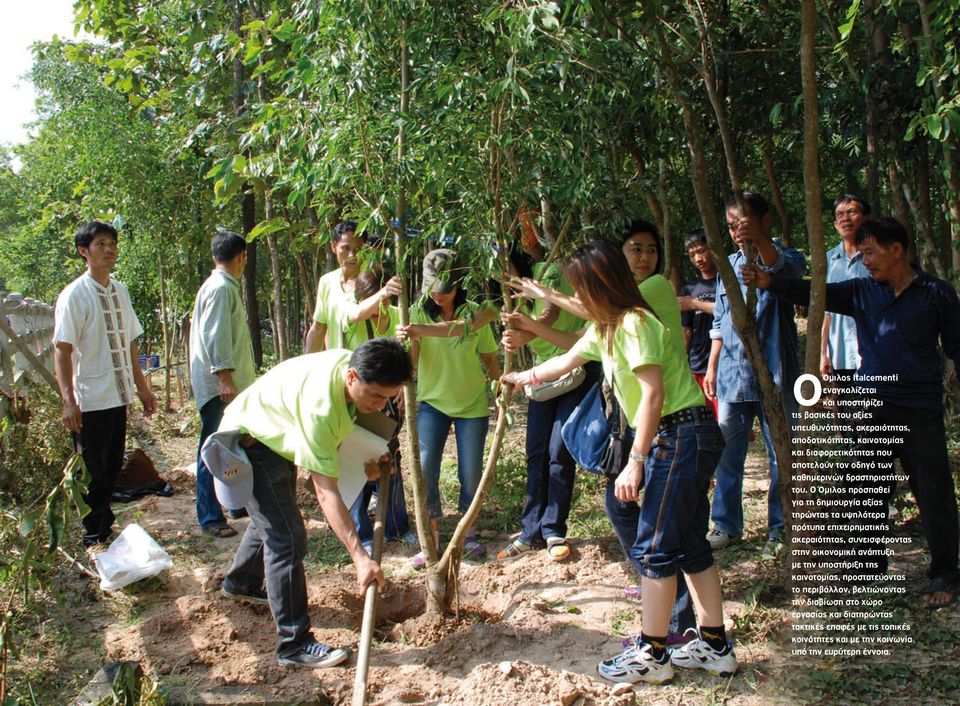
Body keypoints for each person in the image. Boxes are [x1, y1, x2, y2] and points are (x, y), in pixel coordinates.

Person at [503, 239, 735, 685]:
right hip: (681, 437)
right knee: (689, 544)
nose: (578, 299)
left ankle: (652, 653)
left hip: (680, 434)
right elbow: (565, 361)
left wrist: (636, 459)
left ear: (601, 285)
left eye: (581, 290)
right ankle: (713, 643)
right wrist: (521, 376)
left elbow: (653, 393)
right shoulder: (607, 327)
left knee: (654, 547)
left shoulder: (635, 323)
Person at [744, 217, 960, 607]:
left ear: (898, 249)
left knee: (934, 492)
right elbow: (816, 292)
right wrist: (769, 282)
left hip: (919, 409)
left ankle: (945, 573)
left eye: (872, 252)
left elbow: (957, 347)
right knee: (864, 491)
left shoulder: (936, 293)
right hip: (870, 406)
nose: (866, 262)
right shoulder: (862, 291)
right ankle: (865, 566)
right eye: (862, 255)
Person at [217, 338, 413, 666]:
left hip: (276, 431)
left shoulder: (346, 370)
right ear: (352, 377)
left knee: (273, 515)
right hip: (250, 440)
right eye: (375, 396)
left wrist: (364, 458)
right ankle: (294, 645)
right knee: (287, 537)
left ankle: (241, 581)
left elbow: (346, 434)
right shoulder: (321, 406)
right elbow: (324, 491)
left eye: (388, 398)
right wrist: (360, 558)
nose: (380, 405)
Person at [704, 192, 804, 553]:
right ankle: (726, 525)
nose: (737, 231)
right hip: (733, 375)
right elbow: (719, 319)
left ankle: (782, 526)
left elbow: (787, 275)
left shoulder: (787, 256)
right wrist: (713, 365)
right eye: (731, 225)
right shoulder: (726, 265)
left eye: (743, 223)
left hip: (776, 375)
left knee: (782, 453)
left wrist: (758, 242)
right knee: (728, 454)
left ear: (765, 222)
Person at [53, 221, 157, 550]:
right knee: (91, 468)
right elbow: (63, 349)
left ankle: (104, 524)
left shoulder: (120, 291)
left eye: (112, 243)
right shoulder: (74, 296)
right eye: (101, 244)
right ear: (84, 251)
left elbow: (130, 344)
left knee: (112, 465)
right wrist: (69, 400)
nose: (109, 249)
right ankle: (92, 532)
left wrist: (141, 387)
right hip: (90, 397)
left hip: (118, 393)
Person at [496, 236, 596, 563]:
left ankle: (554, 529)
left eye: (501, 260)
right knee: (535, 451)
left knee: (559, 451)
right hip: (542, 377)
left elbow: (549, 314)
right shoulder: (507, 296)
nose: (499, 270)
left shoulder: (545, 271)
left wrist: (523, 331)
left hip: (573, 371)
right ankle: (529, 532)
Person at [399, 249, 500, 566]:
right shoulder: (415, 311)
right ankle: (429, 539)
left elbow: (487, 355)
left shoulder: (476, 312)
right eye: (433, 289)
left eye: (446, 290)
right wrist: (405, 340)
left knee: (471, 474)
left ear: (459, 286)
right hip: (431, 402)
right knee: (426, 467)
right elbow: (412, 364)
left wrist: (499, 386)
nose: (438, 296)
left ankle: (466, 535)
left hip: (472, 404)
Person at [332, 266, 418, 553]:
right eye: (375, 298)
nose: (380, 305)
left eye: (385, 299)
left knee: (390, 457)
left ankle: (397, 525)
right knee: (356, 458)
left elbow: (407, 358)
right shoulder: (354, 317)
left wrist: (403, 389)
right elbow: (353, 315)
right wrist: (381, 294)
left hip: (390, 404)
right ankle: (361, 531)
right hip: (359, 402)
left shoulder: (396, 317)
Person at [189, 231, 256, 538]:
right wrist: (225, 377)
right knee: (213, 448)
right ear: (241, 256)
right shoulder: (219, 289)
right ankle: (209, 515)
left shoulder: (221, 286)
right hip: (220, 387)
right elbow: (216, 335)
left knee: (230, 446)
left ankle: (233, 502)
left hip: (228, 385)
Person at [820, 195, 871, 379]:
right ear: (835, 224)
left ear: (866, 219)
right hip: (838, 355)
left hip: (873, 354)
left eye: (851, 212)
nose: (845, 219)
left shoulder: (876, 258)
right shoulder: (827, 260)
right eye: (840, 214)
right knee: (840, 406)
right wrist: (822, 353)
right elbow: (824, 313)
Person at [304, 220, 365, 353]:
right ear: (333, 247)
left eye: (357, 249)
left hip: (367, 367)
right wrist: (305, 364)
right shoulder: (327, 282)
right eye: (346, 248)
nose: (352, 255)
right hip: (337, 366)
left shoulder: (372, 281)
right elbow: (319, 328)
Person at [678, 230, 719, 417]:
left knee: (725, 423)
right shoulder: (689, 288)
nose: (698, 258)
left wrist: (696, 304)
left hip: (724, 363)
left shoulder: (726, 283)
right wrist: (682, 362)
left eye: (701, 251)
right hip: (697, 363)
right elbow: (686, 331)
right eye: (692, 255)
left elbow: (729, 312)